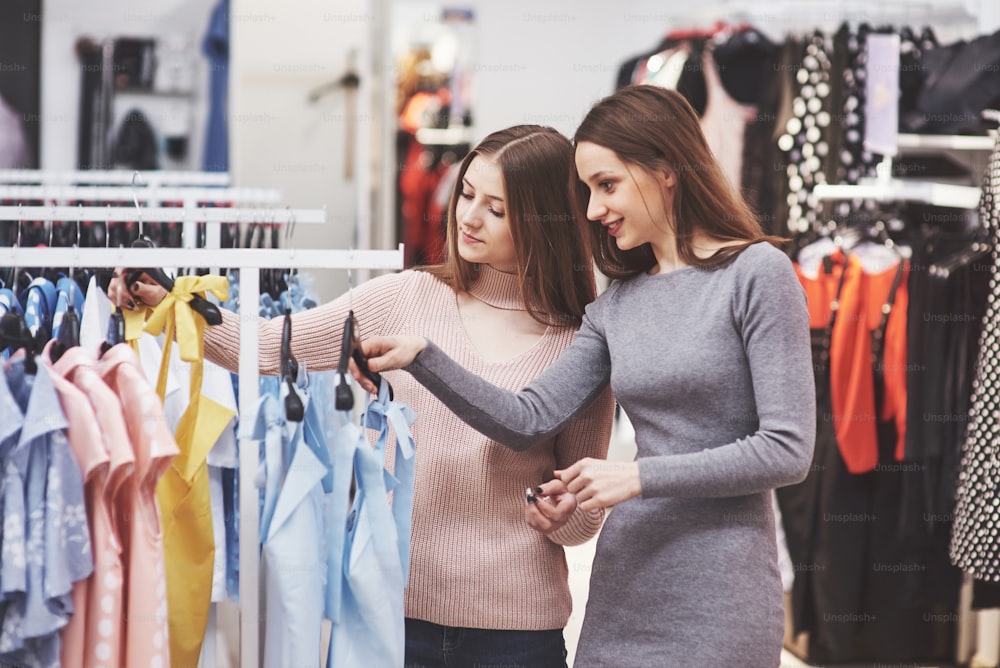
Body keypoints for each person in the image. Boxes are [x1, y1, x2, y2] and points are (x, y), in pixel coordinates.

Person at [110, 124, 616, 667]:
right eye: (466, 194)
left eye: (496, 209)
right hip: (393, 619)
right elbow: (273, 345)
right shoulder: (408, 296)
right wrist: (169, 305)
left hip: (517, 635)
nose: (468, 217)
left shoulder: (581, 344)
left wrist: (562, 515)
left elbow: (584, 515)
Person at [356, 85, 817, 667]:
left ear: (666, 170)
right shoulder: (617, 304)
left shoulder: (757, 275)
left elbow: (787, 450)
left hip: (721, 586)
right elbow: (526, 418)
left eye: (607, 185)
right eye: (588, 192)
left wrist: (637, 477)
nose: (594, 211)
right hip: (626, 584)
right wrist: (424, 355)